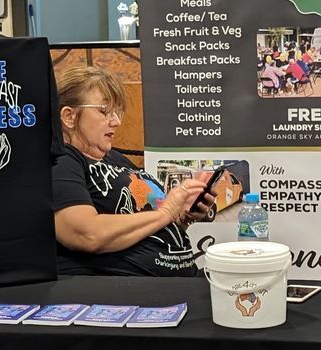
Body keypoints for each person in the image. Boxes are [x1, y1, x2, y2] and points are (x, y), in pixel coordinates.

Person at [51, 65, 213, 277]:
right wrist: (165, 213)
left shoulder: (116, 159)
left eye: (117, 112)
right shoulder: (61, 161)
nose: (116, 122)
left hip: (179, 280)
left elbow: (145, 227)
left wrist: (181, 218)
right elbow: (86, 234)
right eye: (104, 111)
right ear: (69, 116)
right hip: (129, 290)